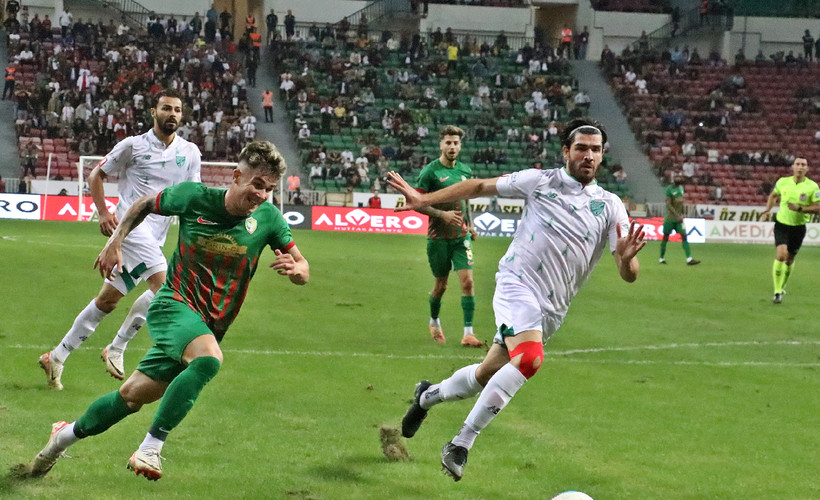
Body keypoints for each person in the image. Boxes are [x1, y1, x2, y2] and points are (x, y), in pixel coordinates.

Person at [17, 141, 309, 481]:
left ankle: (60, 438)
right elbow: (144, 203)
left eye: (269, 189)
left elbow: (302, 265)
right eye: (257, 184)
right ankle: (151, 447)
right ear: (236, 176)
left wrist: (298, 270)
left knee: (129, 398)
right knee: (208, 360)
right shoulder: (194, 197)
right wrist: (116, 241)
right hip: (173, 305)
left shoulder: (269, 219)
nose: (261, 194)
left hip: (209, 324)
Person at [387, 118, 646, 481]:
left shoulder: (611, 205)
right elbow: (478, 185)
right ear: (566, 152)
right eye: (581, 148)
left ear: (603, 156)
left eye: (596, 150)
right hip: (517, 284)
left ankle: (426, 396)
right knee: (530, 359)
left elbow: (627, 272)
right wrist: (423, 199)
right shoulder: (540, 181)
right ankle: (461, 442)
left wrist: (628, 256)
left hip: (553, 308)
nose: (589, 155)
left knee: (486, 373)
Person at [37, 90, 202, 391]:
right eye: (166, 108)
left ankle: (56, 356)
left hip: (157, 233)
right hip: (131, 226)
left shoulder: (190, 152)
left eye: (178, 110)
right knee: (166, 289)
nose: (173, 114)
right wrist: (103, 213)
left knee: (107, 301)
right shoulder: (133, 146)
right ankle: (118, 347)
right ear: (153, 111)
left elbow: (193, 196)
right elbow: (95, 176)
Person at [413, 125, 483, 348]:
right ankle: (434, 321)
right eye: (448, 143)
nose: (452, 146)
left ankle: (468, 334)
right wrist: (441, 214)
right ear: (441, 145)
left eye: (456, 143)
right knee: (440, 287)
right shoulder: (430, 172)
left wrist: (470, 223)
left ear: (460, 146)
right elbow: (416, 203)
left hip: (460, 237)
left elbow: (467, 198)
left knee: (468, 282)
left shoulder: (465, 171)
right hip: (438, 239)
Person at [761, 157, 820, 304]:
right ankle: (776, 291)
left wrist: (800, 209)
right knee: (781, 255)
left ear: (807, 169)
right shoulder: (782, 182)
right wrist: (767, 210)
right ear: (792, 167)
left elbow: (818, 207)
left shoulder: (813, 187)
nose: (800, 167)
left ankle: (782, 287)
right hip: (782, 224)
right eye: (798, 164)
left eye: (803, 165)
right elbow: (773, 195)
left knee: (790, 259)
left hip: (798, 227)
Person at [659, 172, 700, 266]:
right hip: (670, 219)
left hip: (679, 220)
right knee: (665, 237)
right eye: (676, 177)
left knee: (684, 236)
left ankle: (689, 259)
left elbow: (681, 203)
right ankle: (661, 258)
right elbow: (669, 205)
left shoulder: (681, 189)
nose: (678, 178)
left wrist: (682, 214)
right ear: (674, 179)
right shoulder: (669, 189)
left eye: (679, 177)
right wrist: (677, 214)